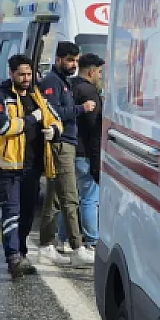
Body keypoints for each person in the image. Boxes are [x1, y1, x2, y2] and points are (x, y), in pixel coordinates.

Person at [0, 54, 63, 279]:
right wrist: (32, 119)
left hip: (33, 166)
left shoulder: (36, 95)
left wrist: (54, 131)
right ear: (11, 74)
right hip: (10, 167)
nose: (26, 78)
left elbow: (55, 118)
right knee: (12, 213)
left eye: (29, 74)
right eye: (21, 74)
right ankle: (13, 258)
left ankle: (21, 253)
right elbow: (4, 127)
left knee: (28, 214)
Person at [37, 42, 96, 266]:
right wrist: (82, 109)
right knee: (70, 198)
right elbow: (53, 112)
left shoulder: (64, 82)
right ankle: (77, 247)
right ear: (59, 59)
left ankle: (46, 245)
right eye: (69, 60)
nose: (73, 64)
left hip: (66, 144)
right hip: (61, 144)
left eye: (75, 60)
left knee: (53, 199)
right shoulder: (52, 82)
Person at [67, 53, 105, 253]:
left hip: (68, 150)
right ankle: (91, 241)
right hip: (84, 153)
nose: (99, 76)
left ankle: (63, 238)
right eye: (99, 72)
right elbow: (95, 132)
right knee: (89, 198)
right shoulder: (90, 91)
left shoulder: (69, 85)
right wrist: (96, 160)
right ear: (91, 71)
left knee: (68, 198)